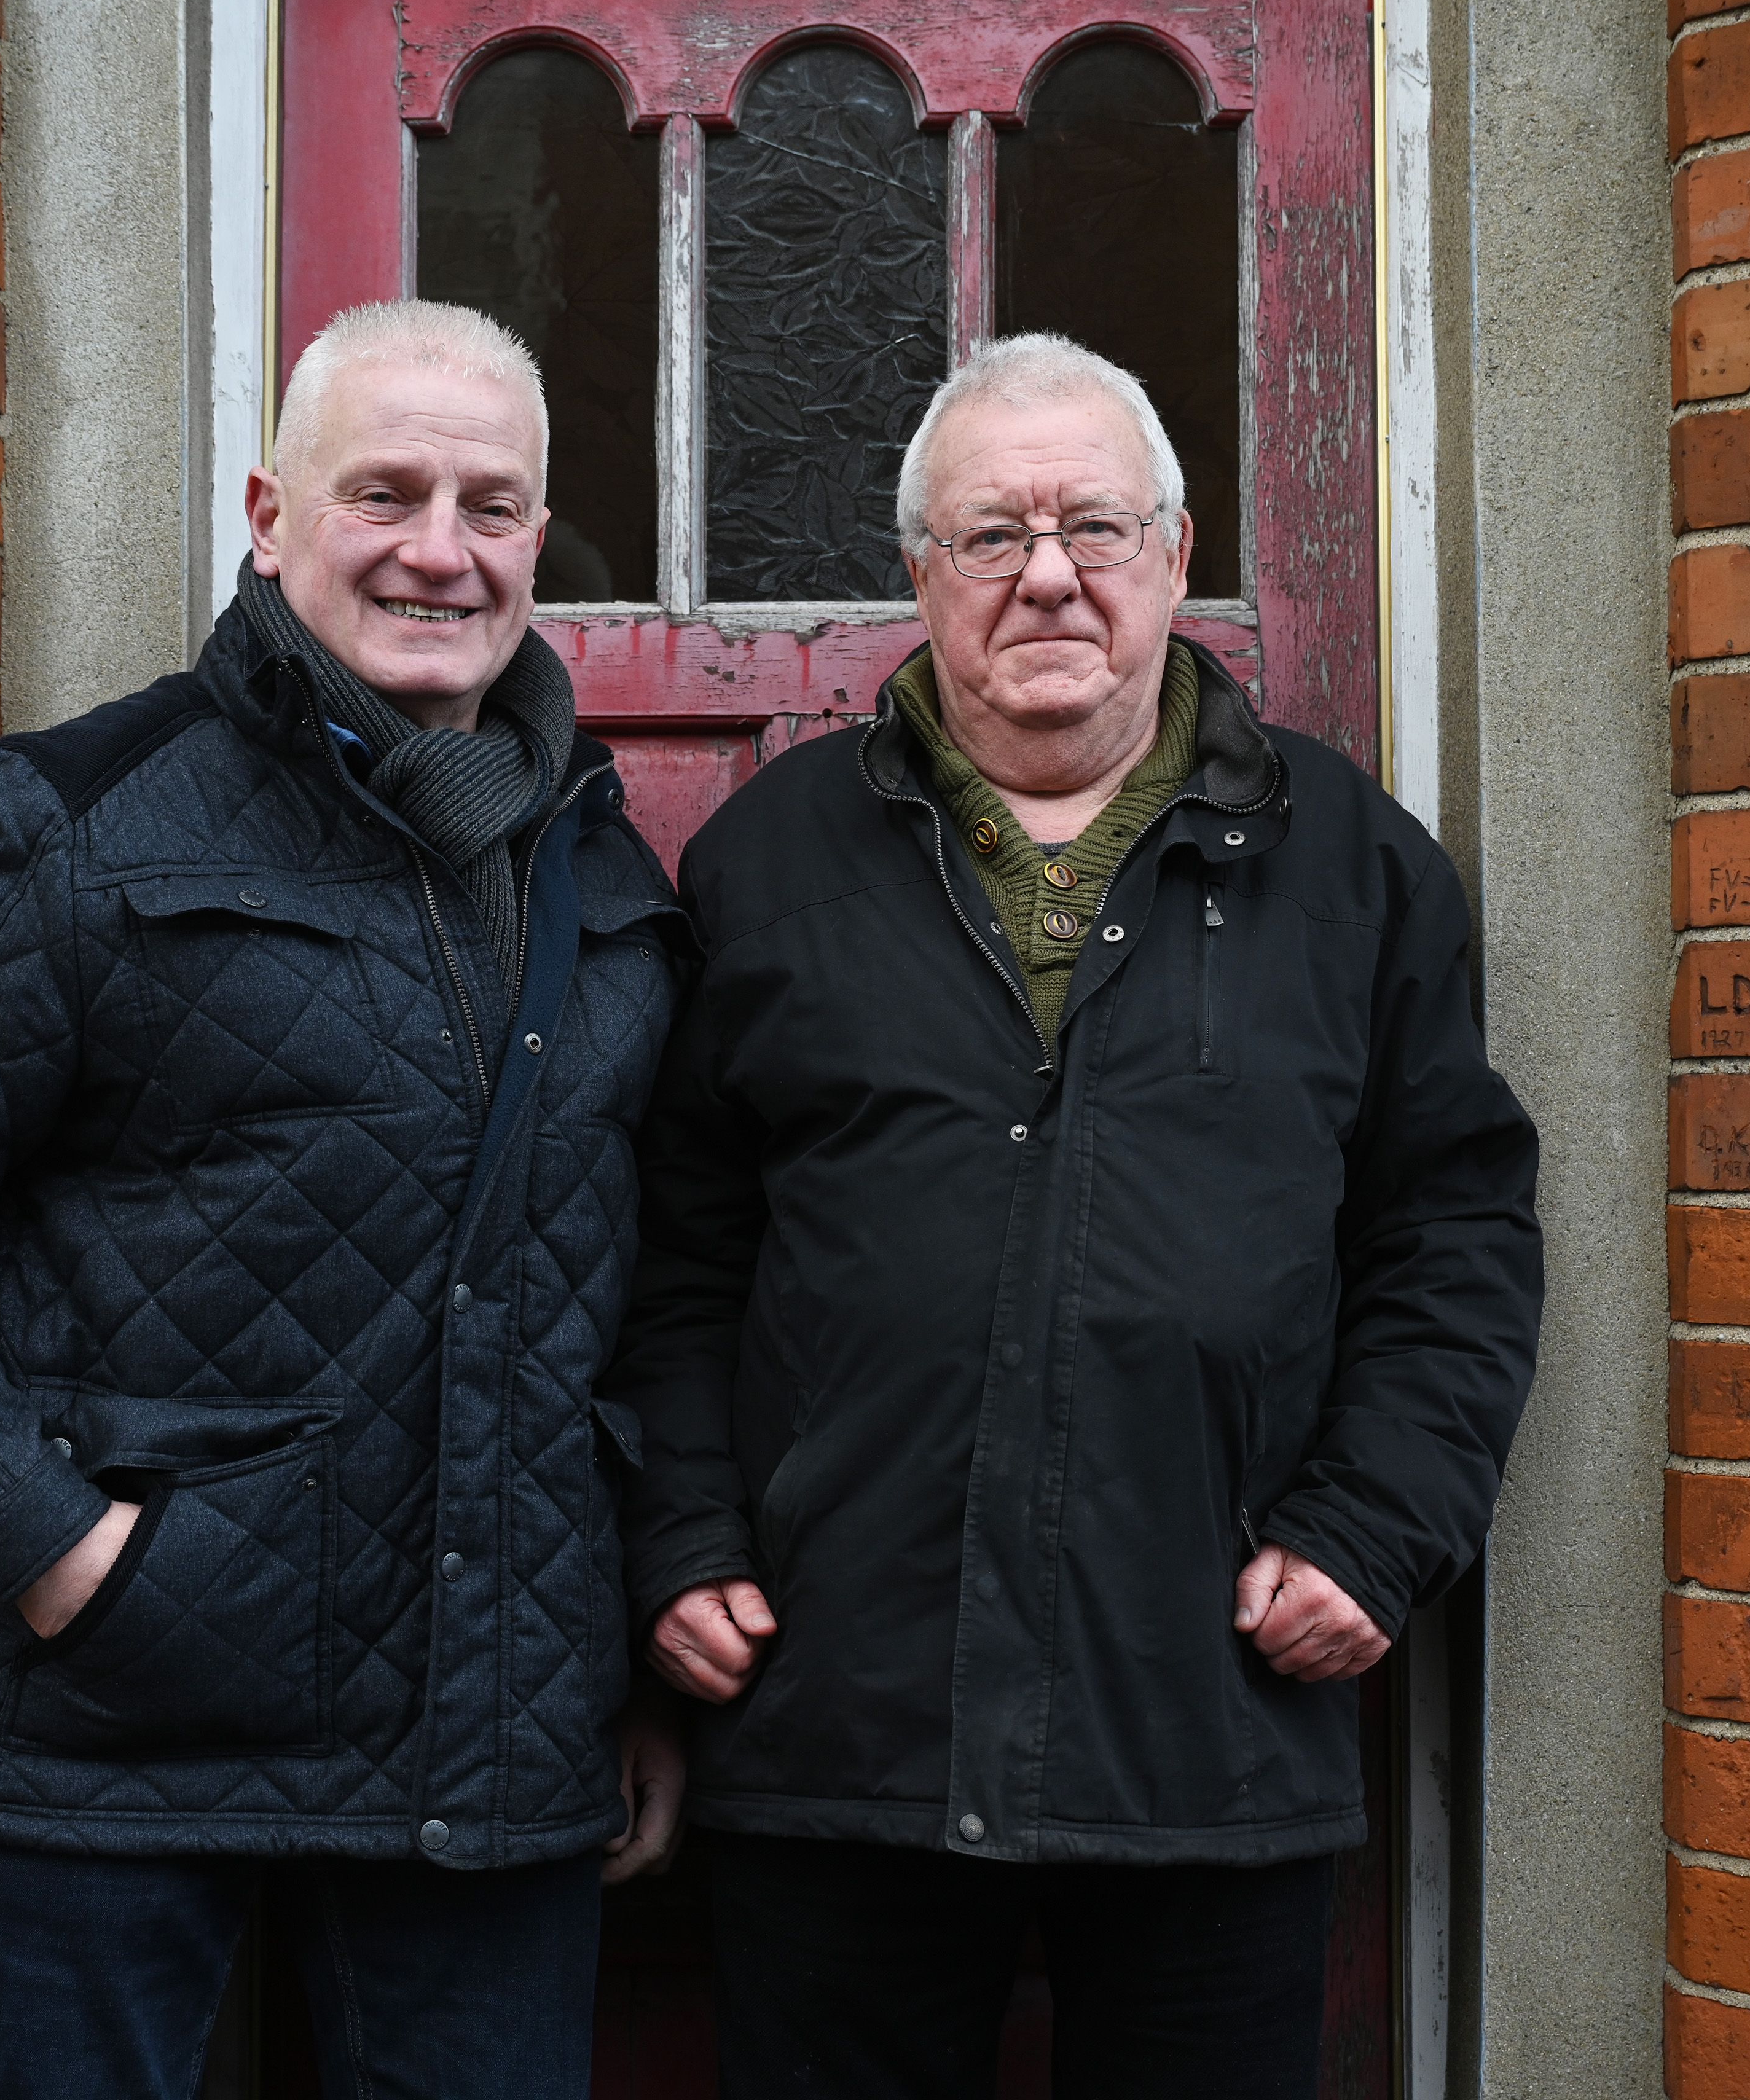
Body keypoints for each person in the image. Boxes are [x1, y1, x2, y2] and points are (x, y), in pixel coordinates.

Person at [0, 300, 688, 2100]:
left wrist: (607, 1657)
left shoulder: (600, 866)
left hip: (487, 1749)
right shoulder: (85, 818)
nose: (440, 550)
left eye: (490, 505)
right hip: (109, 1732)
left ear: (539, 538)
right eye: (383, 493)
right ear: (269, 513)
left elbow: (626, 1285)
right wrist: (58, 1552)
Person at [605, 334, 1543, 2099]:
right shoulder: (769, 865)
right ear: (921, 576)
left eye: (1095, 528)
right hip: (838, 1715)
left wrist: (1376, 1528)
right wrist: (685, 1538)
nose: (1047, 575)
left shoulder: (1354, 871)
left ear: (1175, 559)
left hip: (1207, 1709)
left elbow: (1454, 1239)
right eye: (992, 535)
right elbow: (676, 1256)